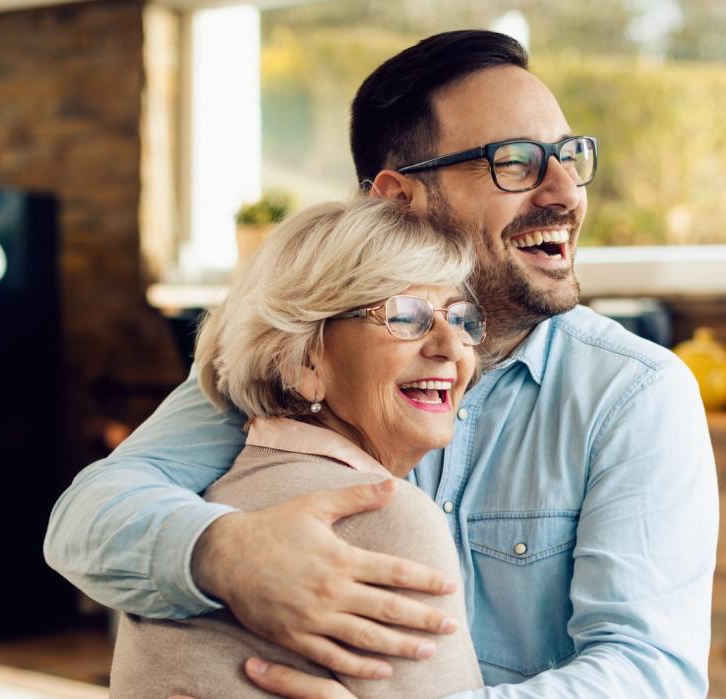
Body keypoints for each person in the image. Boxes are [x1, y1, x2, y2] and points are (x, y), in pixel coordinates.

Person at [45, 29, 719, 697]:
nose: (565, 192)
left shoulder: (633, 394)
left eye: (569, 157)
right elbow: (86, 519)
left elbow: (649, 673)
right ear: (399, 198)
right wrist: (228, 554)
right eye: (515, 162)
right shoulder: (304, 358)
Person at [110, 198, 485, 698]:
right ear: (302, 362)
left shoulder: (197, 498)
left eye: (460, 318)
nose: (450, 345)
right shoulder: (389, 520)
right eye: (405, 316)